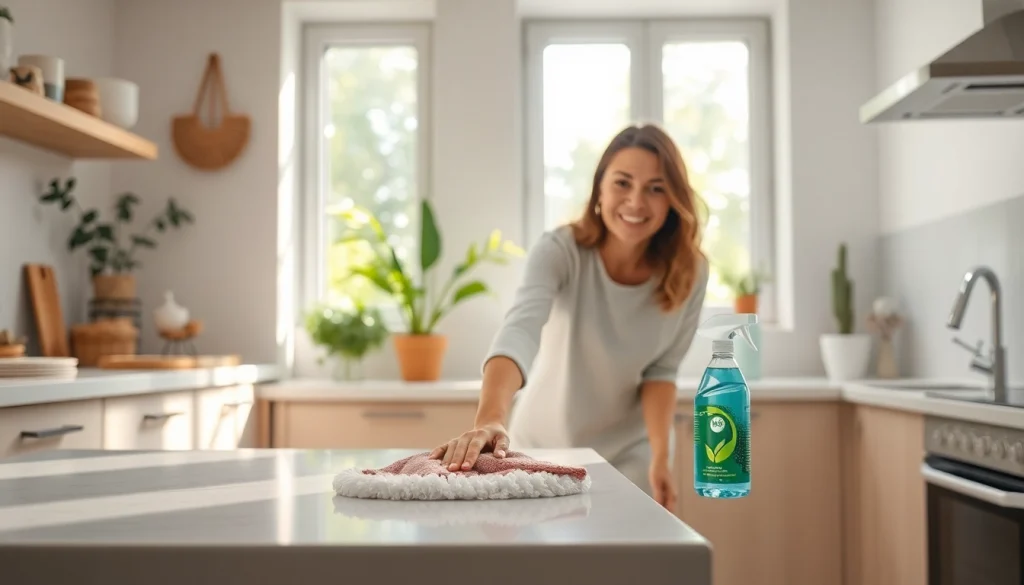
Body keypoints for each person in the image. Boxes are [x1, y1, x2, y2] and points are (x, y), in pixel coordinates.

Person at [429, 123, 709, 512]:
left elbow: (661, 373)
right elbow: (520, 331)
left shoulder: (689, 271)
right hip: (543, 446)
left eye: (656, 188)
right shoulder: (561, 251)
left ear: (674, 199)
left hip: (631, 456)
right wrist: (491, 419)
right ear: (600, 189)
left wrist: (662, 459)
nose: (636, 202)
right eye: (622, 183)